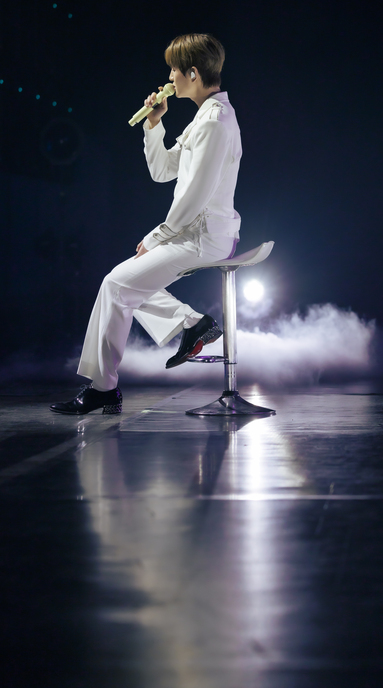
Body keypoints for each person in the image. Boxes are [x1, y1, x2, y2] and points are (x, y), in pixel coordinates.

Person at [50, 33, 241, 415]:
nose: (169, 77)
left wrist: (157, 236)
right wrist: (153, 124)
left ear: (192, 73)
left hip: (204, 236)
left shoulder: (215, 122)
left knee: (116, 285)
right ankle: (190, 323)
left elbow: (195, 196)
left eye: (174, 69)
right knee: (120, 285)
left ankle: (105, 388)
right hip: (194, 232)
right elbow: (162, 171)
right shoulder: (205, 118)